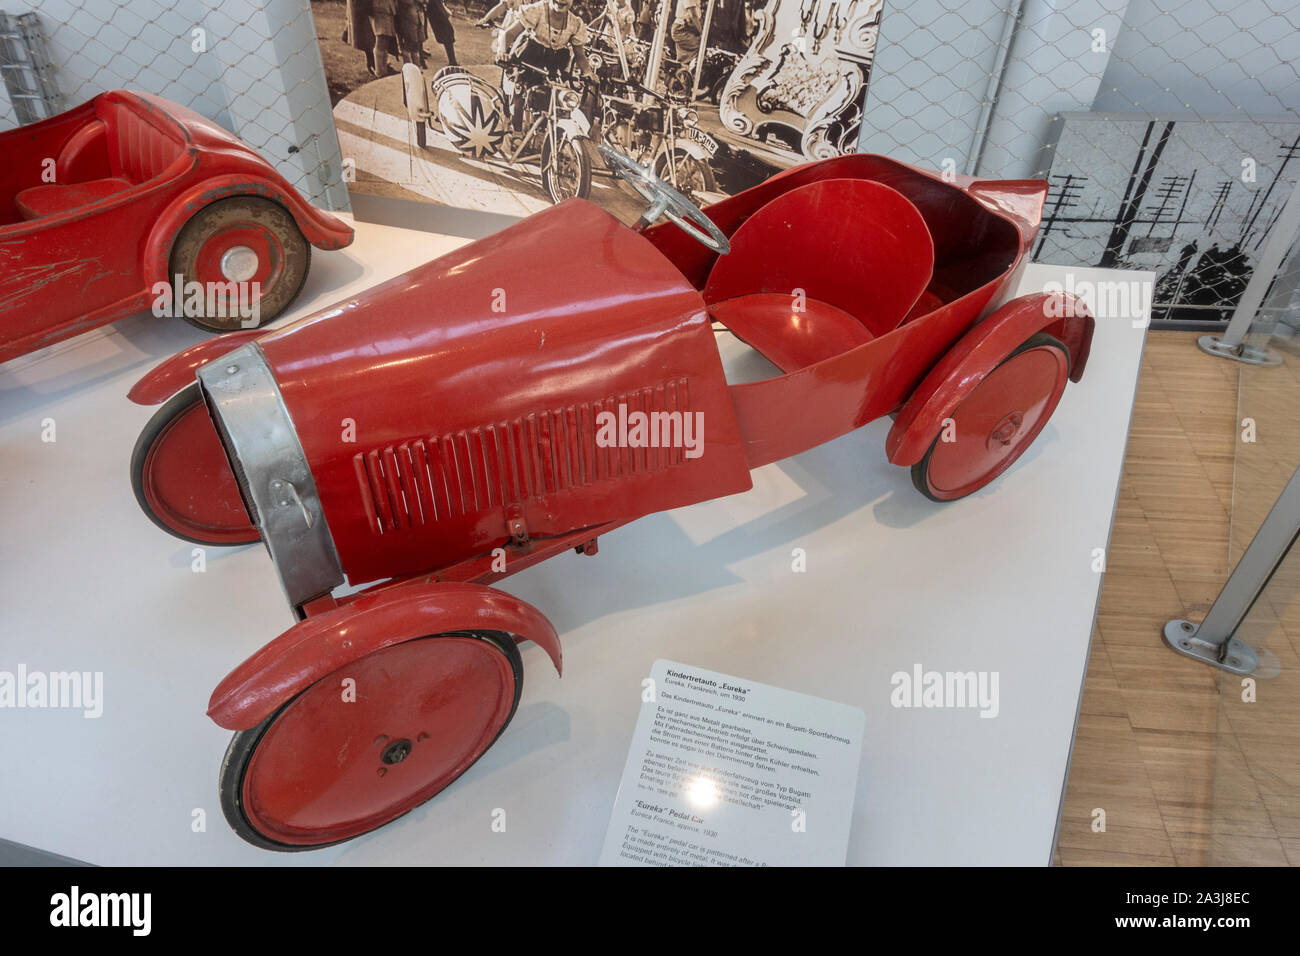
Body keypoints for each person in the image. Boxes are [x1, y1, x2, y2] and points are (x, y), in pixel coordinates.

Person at [499, 0, 595, 134]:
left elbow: (580, 55)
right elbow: (508, 34)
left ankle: (545, 133)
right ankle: (517, 131)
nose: (561, 1)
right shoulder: (537, 10)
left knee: (556, 95)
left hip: (554, 63)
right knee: (519, 88)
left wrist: (588, 72)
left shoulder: (575, 23)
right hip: (530, 55)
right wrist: (502, 53)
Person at [670, 0, 702, 72]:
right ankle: (691, 72)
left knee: (683, 57)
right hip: (682, 28)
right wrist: (702, 32)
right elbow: (693, 15)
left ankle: (683, 75)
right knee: (700, 45)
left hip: (686, 27)